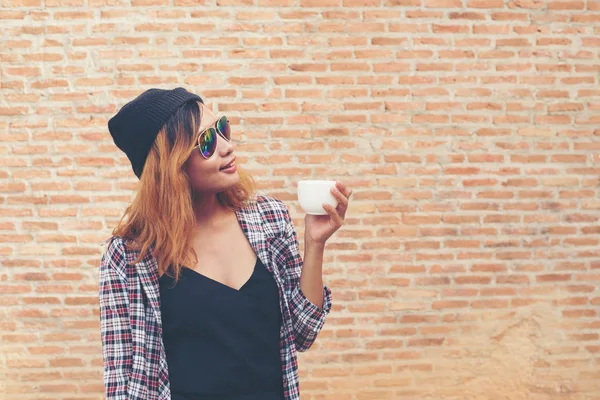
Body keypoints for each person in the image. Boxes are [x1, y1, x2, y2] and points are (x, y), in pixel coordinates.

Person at [98, 87, 352, 400]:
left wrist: (315, 244)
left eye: (222, 129)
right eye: (206, 143)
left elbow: (304, 331)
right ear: (171, 166)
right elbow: (122, 381)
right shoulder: (129, 256)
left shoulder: (269, 219)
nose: (227, 147)